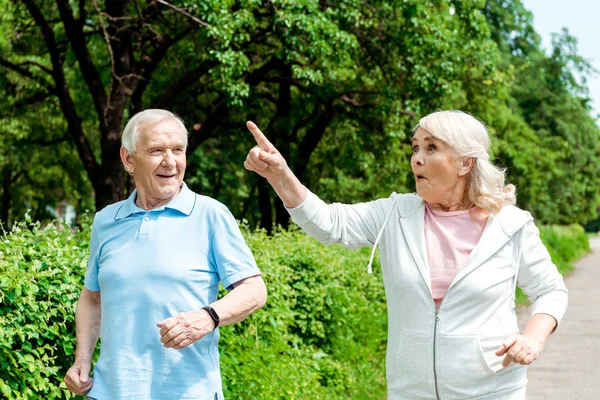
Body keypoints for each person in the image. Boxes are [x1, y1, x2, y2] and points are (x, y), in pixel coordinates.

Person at [243, 110, 567, 400]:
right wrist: (280, 176)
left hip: (492, 390)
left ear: (465, 163)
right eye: (415, 148)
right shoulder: (394, 214)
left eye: (431, 147)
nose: (416, 159)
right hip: (409, 391)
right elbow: (330, 224)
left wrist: (533, 339)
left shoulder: (510, 225)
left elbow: (550, 290)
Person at [64, 109, 267, 400]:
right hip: (108, 392)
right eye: (157, 151)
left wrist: (208, 317)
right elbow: (92, 298)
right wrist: (82, 359)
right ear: (128, 159)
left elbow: (255, 290)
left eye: (178, 150)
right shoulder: (106, 221)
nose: (170, 162)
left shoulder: (210, 214)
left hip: (187, 393)